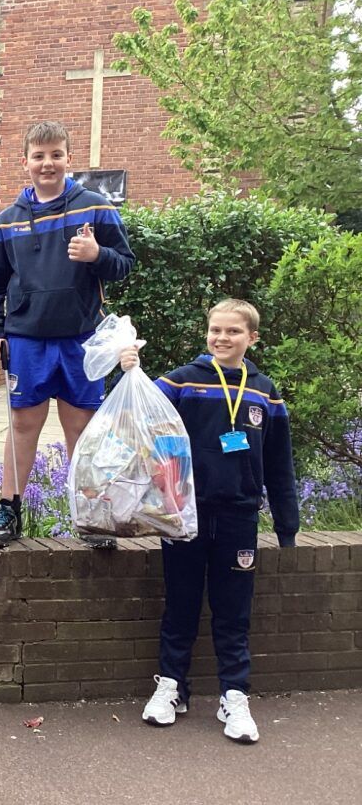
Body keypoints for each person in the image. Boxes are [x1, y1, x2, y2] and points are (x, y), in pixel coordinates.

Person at [122, 299, 298, 744]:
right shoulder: (183, 382)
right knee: (180, 603)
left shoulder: (265, 392)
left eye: (233, 332)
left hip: (240, 516)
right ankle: (171, 687)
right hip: (186, 514)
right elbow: (135, 413)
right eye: (215, 330)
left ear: (252, 338)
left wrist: (287, 526)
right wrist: (127, 371)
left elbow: (280, 465)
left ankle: (234, 695)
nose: (222, 338)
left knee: (233, 610)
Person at [0, 120, 135, 548]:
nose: (47, 163)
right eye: (38, 155)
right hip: (26, 340)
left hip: (80, 340)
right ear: (25, 161)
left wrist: (96, 254)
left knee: (82, 430)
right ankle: (9, 511)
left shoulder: (95, 208)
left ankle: (90, 516)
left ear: (69, 157)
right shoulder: (6, 221)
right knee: (22, 426)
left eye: (56, 154)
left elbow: (124, 263)